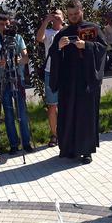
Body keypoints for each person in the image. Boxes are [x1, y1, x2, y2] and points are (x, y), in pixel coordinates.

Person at [49, 0, 107, 164]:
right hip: (68, 82)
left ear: (82, 11)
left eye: (76, 13)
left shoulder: (93, 29)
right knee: (68, 115)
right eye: (70, 14)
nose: (74, 17)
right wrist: (58, 47)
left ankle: (86, 151)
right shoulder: (63, 33)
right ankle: (69, 149)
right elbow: (53, 53)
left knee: (85, 116)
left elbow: (103, 48)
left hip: (87, 80)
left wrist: (86, 46)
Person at [0, 11, 33, 154]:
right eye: (2, 25)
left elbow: (26, 57)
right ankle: (13, 144)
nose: (5, 27)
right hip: (3, 79)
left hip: (17, 77)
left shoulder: (17, 37)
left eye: (7, 24)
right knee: (8, 113)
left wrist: (20, 60)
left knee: (22, 112)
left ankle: (26, 143)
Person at [36, 10, 64, 146]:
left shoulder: (66, 31)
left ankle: (65, 132)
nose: (56, 17)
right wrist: (46, 20)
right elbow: (39, 38)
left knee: (66, 104)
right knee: (52, 106)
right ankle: (54, 135)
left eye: (58, 14)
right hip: (50, 72)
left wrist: (62, 22)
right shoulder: (47, 32)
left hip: (65, 72)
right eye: (54, 15)